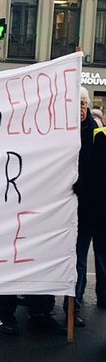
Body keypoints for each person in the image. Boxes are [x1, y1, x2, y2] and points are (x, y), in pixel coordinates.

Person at [74, 85, 106, 320]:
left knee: (102, 258)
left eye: (83, 104)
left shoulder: (99, 135)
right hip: (80, 210)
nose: (81, 109)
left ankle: (103, 297)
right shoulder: (66, 137)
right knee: (79, 259)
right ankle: (74, 301)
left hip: (101, 209)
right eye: (76, 105)